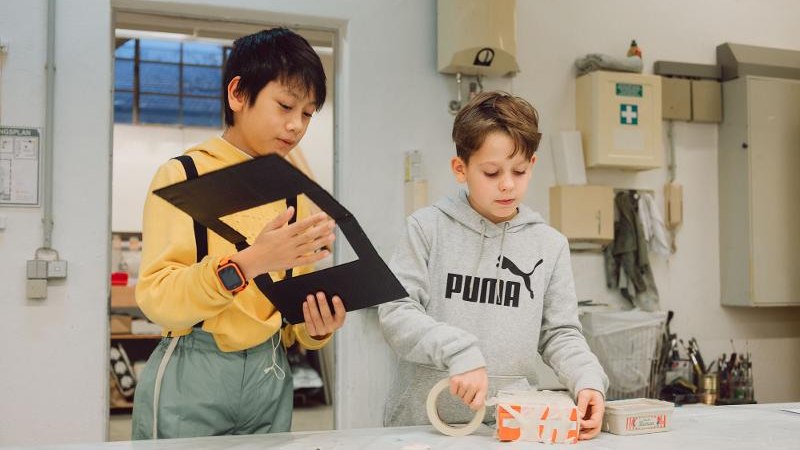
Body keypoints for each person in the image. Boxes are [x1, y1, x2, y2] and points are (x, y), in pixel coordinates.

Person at [131, 28, 346, 439]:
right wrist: (251, 262)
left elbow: (293, 316)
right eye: (285, 105)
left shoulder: (294, 192)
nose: (296, 125)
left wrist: (317, 326)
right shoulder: (182, 175)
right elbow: (158, 299)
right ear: (237, 94)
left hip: (271, 372)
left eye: (307, 113)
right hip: (193, 371)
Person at [378, 91, 608, 440]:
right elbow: (396, 313)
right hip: (422, 428)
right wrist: (460, 350)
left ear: (532, 165)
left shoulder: (549, 245)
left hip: (509, 429)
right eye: (491, 172)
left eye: (518, 171)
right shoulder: (426, 229)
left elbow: (560, 334)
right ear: (461, 169)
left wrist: (587, 380)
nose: (507, 184)